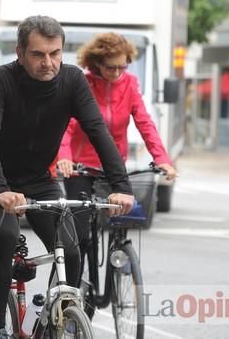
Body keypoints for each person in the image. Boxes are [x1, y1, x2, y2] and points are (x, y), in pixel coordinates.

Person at [0, 15, 135, 339]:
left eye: (55, 53)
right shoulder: (0, 80)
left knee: (71, 251)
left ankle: (53, 322)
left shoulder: (73, 81)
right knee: (5, 236)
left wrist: (122, 187)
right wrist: (0, 189)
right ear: (19, 53)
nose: (48, 62)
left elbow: (98, 132)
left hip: (39, 178)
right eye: (38, 54)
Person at [57, 32, 178, 270]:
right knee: (78, 234)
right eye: (110, 67)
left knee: (123, 221)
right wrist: (64, 157)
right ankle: (72, 287)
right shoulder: (84, 83)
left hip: (114, 166)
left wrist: (162, 159)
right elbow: (68, 125)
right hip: (82, 166)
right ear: (96, 63)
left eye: (122, 67)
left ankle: (118, 260)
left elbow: (144, 122)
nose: (116, 73)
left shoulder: (130, 83)